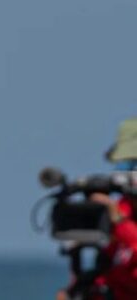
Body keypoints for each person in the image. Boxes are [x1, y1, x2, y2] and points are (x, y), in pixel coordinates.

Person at [57, 119, 137, 300]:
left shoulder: (119, 215)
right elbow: (108, 269)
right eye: (125, 165)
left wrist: (119, 221)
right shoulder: (121, 208)